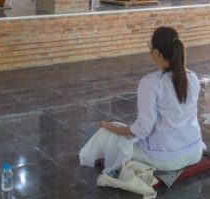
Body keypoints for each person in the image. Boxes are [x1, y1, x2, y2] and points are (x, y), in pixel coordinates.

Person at [79, 26, 203, 173]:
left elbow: (143, 128)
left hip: (166, 159)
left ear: (156, 52)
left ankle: (88, 161)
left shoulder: (150, 83)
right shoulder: (192, 77)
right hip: (195, 151)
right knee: (119, 130)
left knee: (108, 133)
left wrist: (117, 129)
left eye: (150, 46)